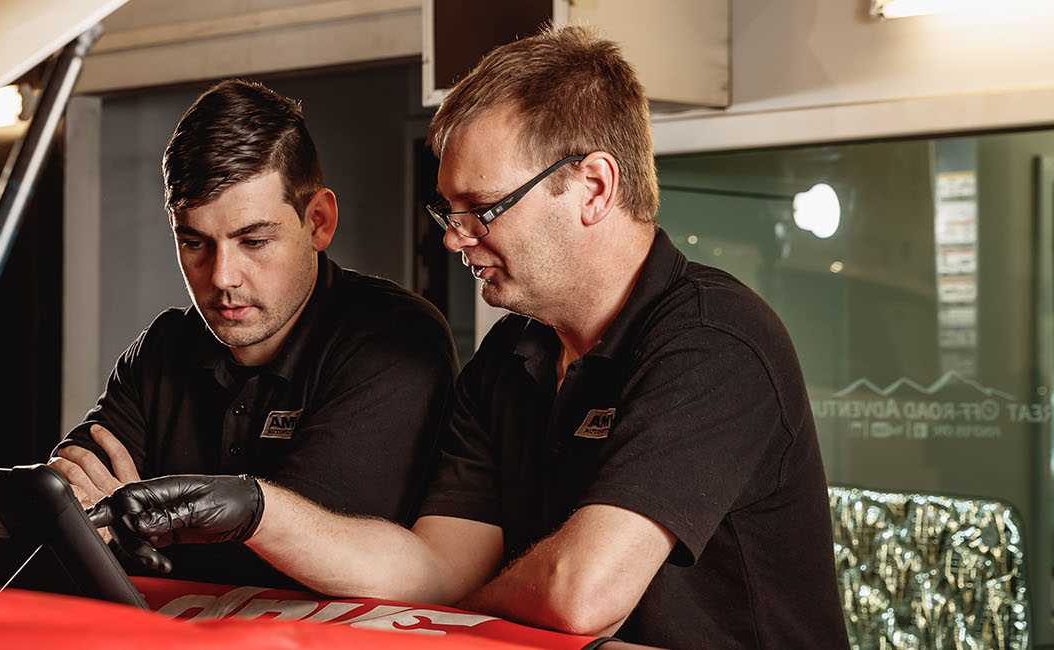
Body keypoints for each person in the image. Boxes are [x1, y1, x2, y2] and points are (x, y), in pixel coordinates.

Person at [89, 26, 848, 648]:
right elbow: (430, 568)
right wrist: (253, 504)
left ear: (593, 188)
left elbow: (581, 595)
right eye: (449, 212)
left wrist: (473, 602)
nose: (456, 240)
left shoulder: (714, 342)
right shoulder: (509, 361)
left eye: (483, 207)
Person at [50, 80, 458, 590]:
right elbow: (65, 505)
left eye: (255, 240)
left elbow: (306, 560)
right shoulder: (162, 346)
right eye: (195, 242)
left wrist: (140, 528)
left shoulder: (393, 338)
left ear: (319, 222)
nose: (222, 277)